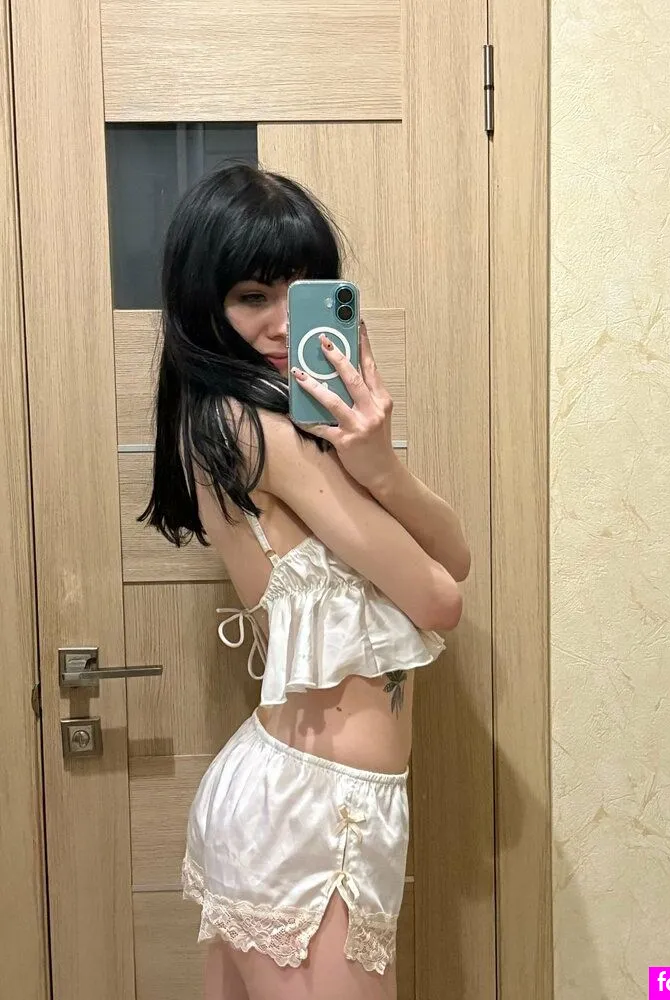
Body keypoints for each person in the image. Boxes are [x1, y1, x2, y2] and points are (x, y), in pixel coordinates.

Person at [141, 164, 470, 1000]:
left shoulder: (285, 425)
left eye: (303, 289)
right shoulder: (250, 428)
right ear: (203, 306)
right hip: (308, 812)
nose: (285, 322)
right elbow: (440, 601)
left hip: (317, 802)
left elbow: (453, 559)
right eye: (253, 296)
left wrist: (379, 464)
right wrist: (369, 471)